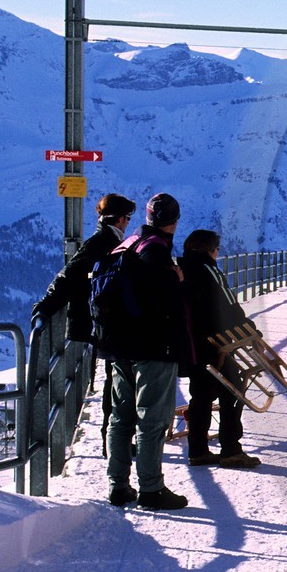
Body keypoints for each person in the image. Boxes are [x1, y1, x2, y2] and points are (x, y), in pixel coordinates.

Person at [97, 192, 191, 510]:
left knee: (120, 417)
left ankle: (118, 485)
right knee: (152, 419)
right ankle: (151, 489)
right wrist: (176, 279)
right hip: (152, 347)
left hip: (117, 345)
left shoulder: (129, 242)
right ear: (174, 221)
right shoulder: (157, 250)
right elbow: (160, 303)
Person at [32, 193, 137, 452]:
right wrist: (45, 306)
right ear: (121, 219)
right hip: (105, 324)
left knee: (116, 382)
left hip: (104, 323)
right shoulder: (103, 242)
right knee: (116, 384)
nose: (128, 223)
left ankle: (114, 441)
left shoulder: (104, 240)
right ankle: (114, 442)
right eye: (127, 218)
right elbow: (69, 275)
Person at [179, 229, 260, 468]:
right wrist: (250, 331)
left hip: (192, 344)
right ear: (209, 250)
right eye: (216, 249)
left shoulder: (181, 268)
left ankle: (198, 450)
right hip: (216, 343)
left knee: (201, 396)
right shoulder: (209, 270)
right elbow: (228, 305)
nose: (217, 253)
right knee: (233, 390)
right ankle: (231, 450)